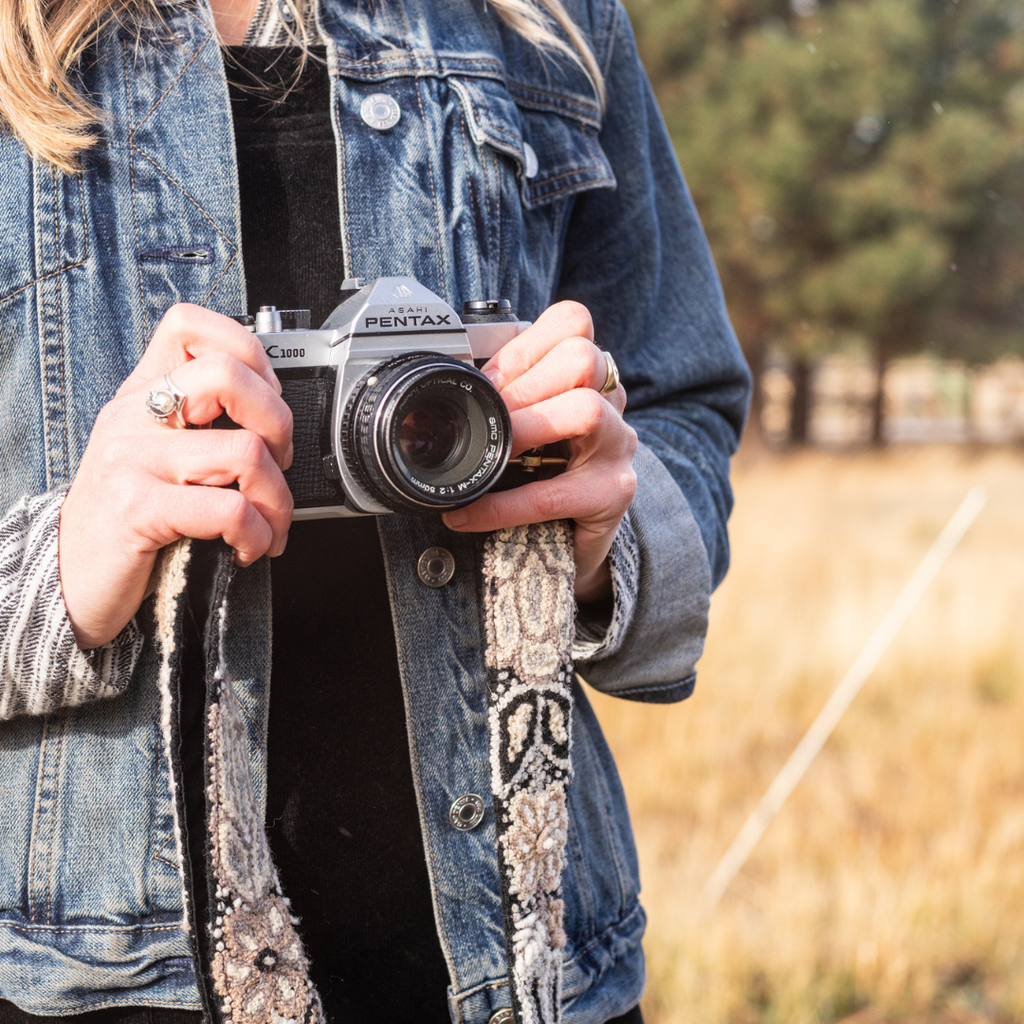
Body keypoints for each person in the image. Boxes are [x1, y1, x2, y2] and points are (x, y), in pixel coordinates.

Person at [0, 0, 749, 1018]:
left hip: (529, 967)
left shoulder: (550, 20)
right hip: (98, 977)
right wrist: (65, 560)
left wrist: (604, 538)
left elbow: (682, 402)